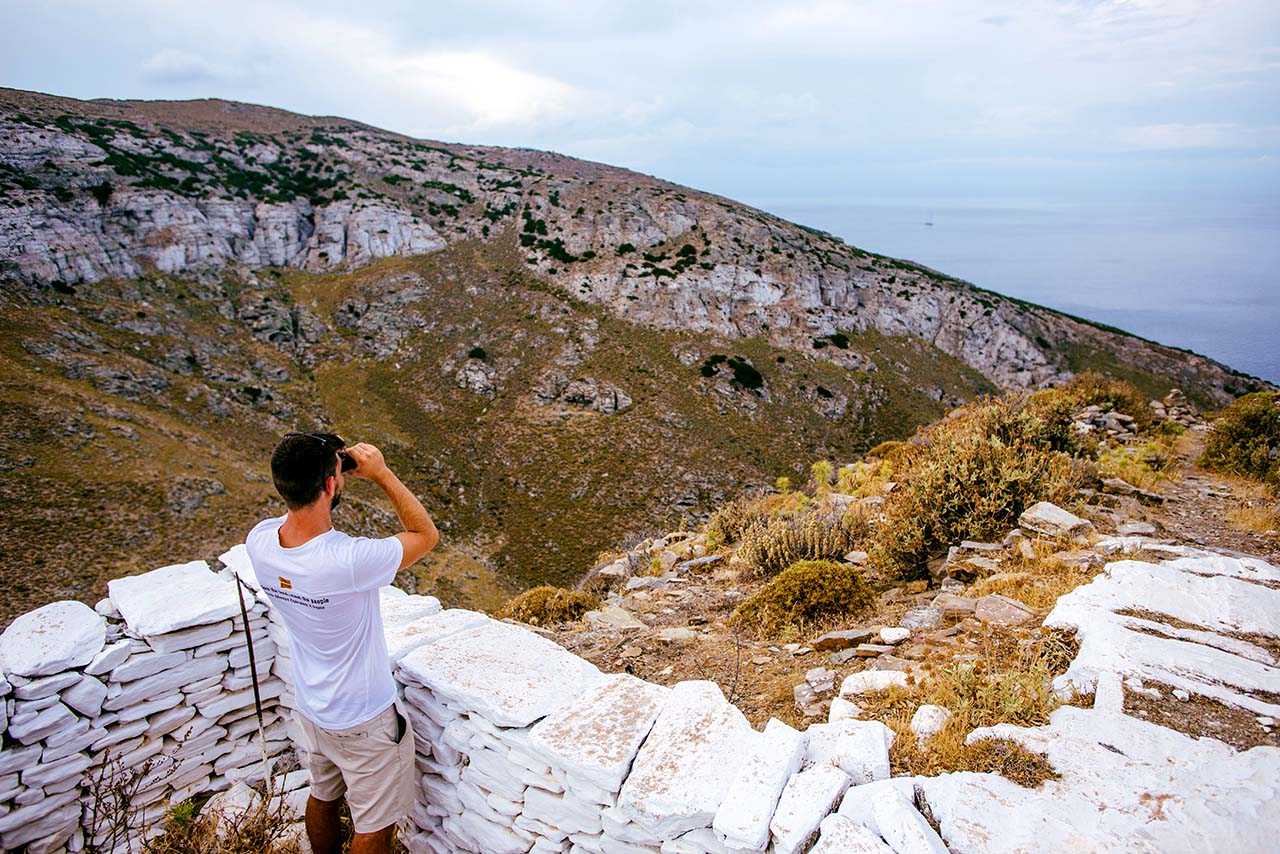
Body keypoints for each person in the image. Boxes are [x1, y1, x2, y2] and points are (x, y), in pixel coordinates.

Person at [245, 432, 439, 854]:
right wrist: (381, 473)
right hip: (363, 716)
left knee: (324, 796)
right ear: (331, 485)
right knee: (374, 828)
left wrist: (322, 466)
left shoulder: (259, 542)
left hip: (313, 707)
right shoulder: (348, 561)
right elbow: (425, 534)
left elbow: (297, 513)